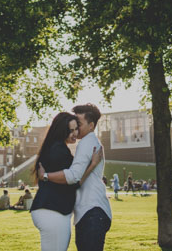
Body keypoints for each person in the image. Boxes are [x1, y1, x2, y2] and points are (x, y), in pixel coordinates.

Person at [39, 103, 112, 251]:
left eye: (79, 124)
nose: (76, 128)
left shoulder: (87, 143)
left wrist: (45, 176)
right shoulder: (91, 142)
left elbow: (74, 176)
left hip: (91, 211)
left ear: (91, 125)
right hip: (91, 211)